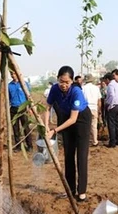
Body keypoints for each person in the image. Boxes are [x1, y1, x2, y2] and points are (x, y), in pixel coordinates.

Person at [44, 66, 91, 202]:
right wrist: (46, 126)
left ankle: (81, 192)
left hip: (80, 119)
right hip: (66, 118)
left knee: (81, 156)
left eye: (67, 82)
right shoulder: (54, 89)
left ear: (72, 82)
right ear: (57, 79)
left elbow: (73, 119)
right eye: (61, 81)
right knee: (68, 156)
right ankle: (70, 190)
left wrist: (54, 130)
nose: (63, 85)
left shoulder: (76, 92)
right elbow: (48, 107)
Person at [9, 70, 33, 152]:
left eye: (14, 73)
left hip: (23, 108)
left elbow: (29, 96)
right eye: (11, 74)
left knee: (25, 127)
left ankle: (29, 146)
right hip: (13, 108)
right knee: (15, 128)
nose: (13, 75)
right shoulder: (9, 85)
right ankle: (18, 146)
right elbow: (8, 98)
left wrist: (30, 108)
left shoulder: (24, 84)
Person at [103, 73, 118, 148]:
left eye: (105, 80)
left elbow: (112, 95)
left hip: (113, 106)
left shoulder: (110, 85)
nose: (105, 82)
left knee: (111, 125)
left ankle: (112, 142)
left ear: (108, 79)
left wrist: (110, 105)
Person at [82, 74, 101, 146]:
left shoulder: (83, 88)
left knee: (85, 126)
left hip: (86, 108)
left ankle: (85, 141)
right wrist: (99, 109)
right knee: (94, 126)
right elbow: (99, 100)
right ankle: (95, 141)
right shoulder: (96, 88)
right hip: (94, 108)